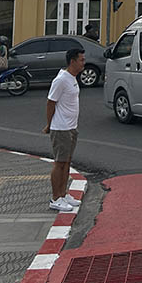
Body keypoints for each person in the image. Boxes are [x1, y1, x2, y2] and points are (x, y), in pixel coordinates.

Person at [43, 47, 85, 212]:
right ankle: (55, 198)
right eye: (81, 60)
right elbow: (50, 102)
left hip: (71, 127)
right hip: (61, 128)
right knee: (59, 163)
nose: (84, 63)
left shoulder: (72, 78)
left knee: (66, 162)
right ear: (73, 61)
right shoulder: (61, 80)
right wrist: (49, 124)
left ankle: (63, 193)